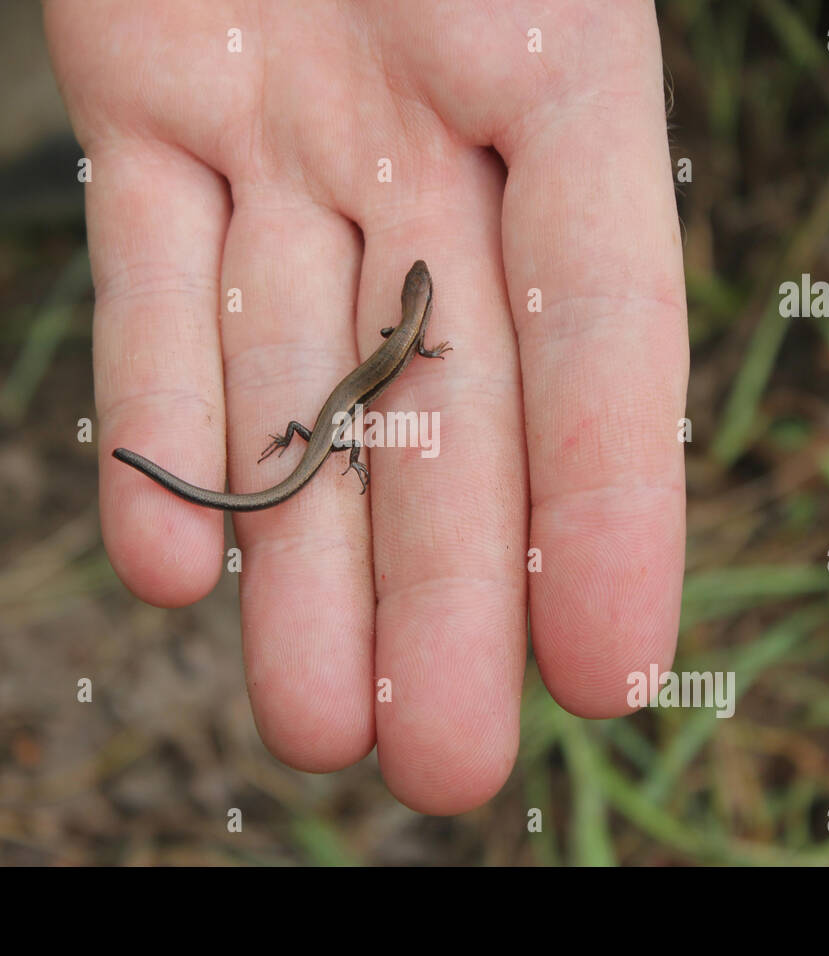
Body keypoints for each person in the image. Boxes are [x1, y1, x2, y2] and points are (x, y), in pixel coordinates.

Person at [43, 0, 687, 815]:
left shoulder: (401, 337)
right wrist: (368, 425)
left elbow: (397, 339)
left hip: (334, 411)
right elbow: (406, 342)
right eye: (421, 300)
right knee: (329, 445)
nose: (418, 299)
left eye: (419, 298)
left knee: (328, 441)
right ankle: (300, 456)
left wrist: (344, 436)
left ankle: (299, 453)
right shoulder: (412, 341)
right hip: (337, 413)